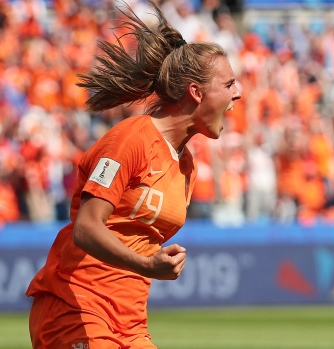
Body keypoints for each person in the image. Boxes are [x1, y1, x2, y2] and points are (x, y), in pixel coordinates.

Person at [26, 1, 241, 348]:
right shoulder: (131, 139)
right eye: (228, 83)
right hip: (76, 307)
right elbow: (87, 228)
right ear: (197, 93)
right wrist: (146, 264)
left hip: (129, 322)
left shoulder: (187, 166)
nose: (239, 92)